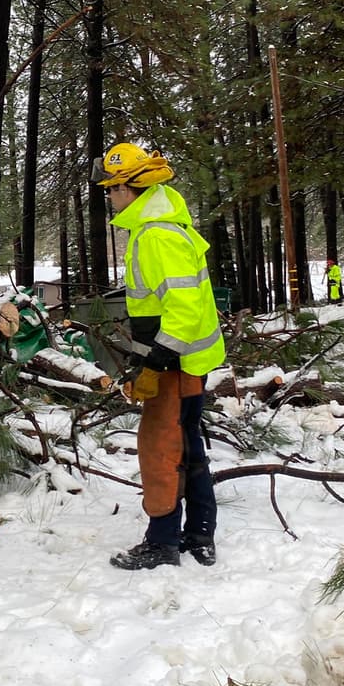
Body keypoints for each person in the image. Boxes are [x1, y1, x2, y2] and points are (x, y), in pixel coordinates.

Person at [95, 143, 227, 570]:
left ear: (131, 190)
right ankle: (200, 534)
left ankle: (163, 541)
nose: (109, 196)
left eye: (111, 189)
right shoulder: (166, 225)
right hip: (187, 359)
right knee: (187, 446)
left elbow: (184, 309)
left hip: (176, 362)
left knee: (160, 448)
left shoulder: (155, 236)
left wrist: (155, 364)